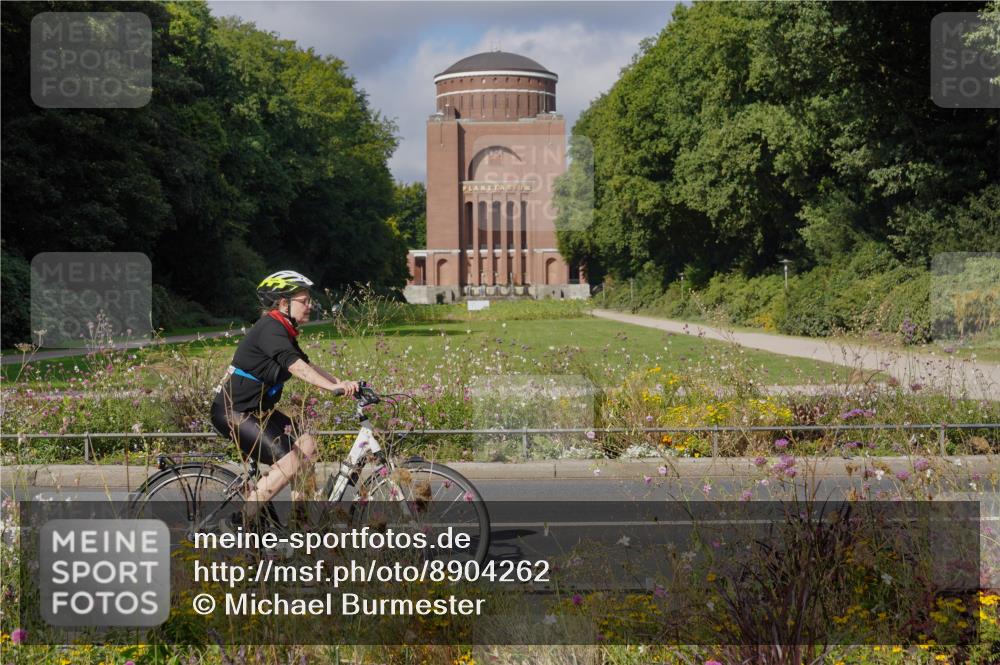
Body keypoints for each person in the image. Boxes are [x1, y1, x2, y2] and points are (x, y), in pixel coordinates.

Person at [210, 270, 358, 529]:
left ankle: (299, 530)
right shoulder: (270, 328)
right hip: (234, 411)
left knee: (307, 445)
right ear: (283, 303)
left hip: (258, 412)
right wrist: (330, 388)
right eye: (304, 300)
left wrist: (341, 384)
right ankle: (236, 522)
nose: (310, 305)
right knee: (291, 462)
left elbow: (307, 364)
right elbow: (296, 367)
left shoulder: (284, 329)